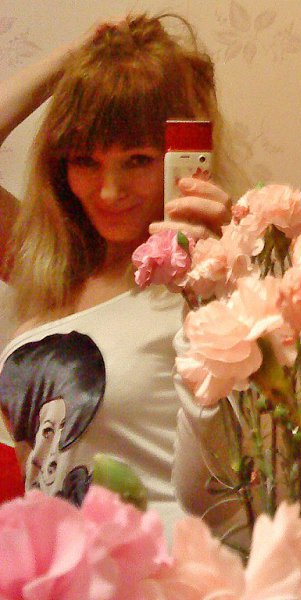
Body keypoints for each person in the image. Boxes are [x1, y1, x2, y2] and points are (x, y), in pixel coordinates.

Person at [0, 13, 237, 534]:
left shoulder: (211, 281)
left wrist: (222, 276)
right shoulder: (54, 272)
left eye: (137, 160)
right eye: (85, 161)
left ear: (180, 158)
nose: (108, 191)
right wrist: (75, 60)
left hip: (165, 564)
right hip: (57, 566)